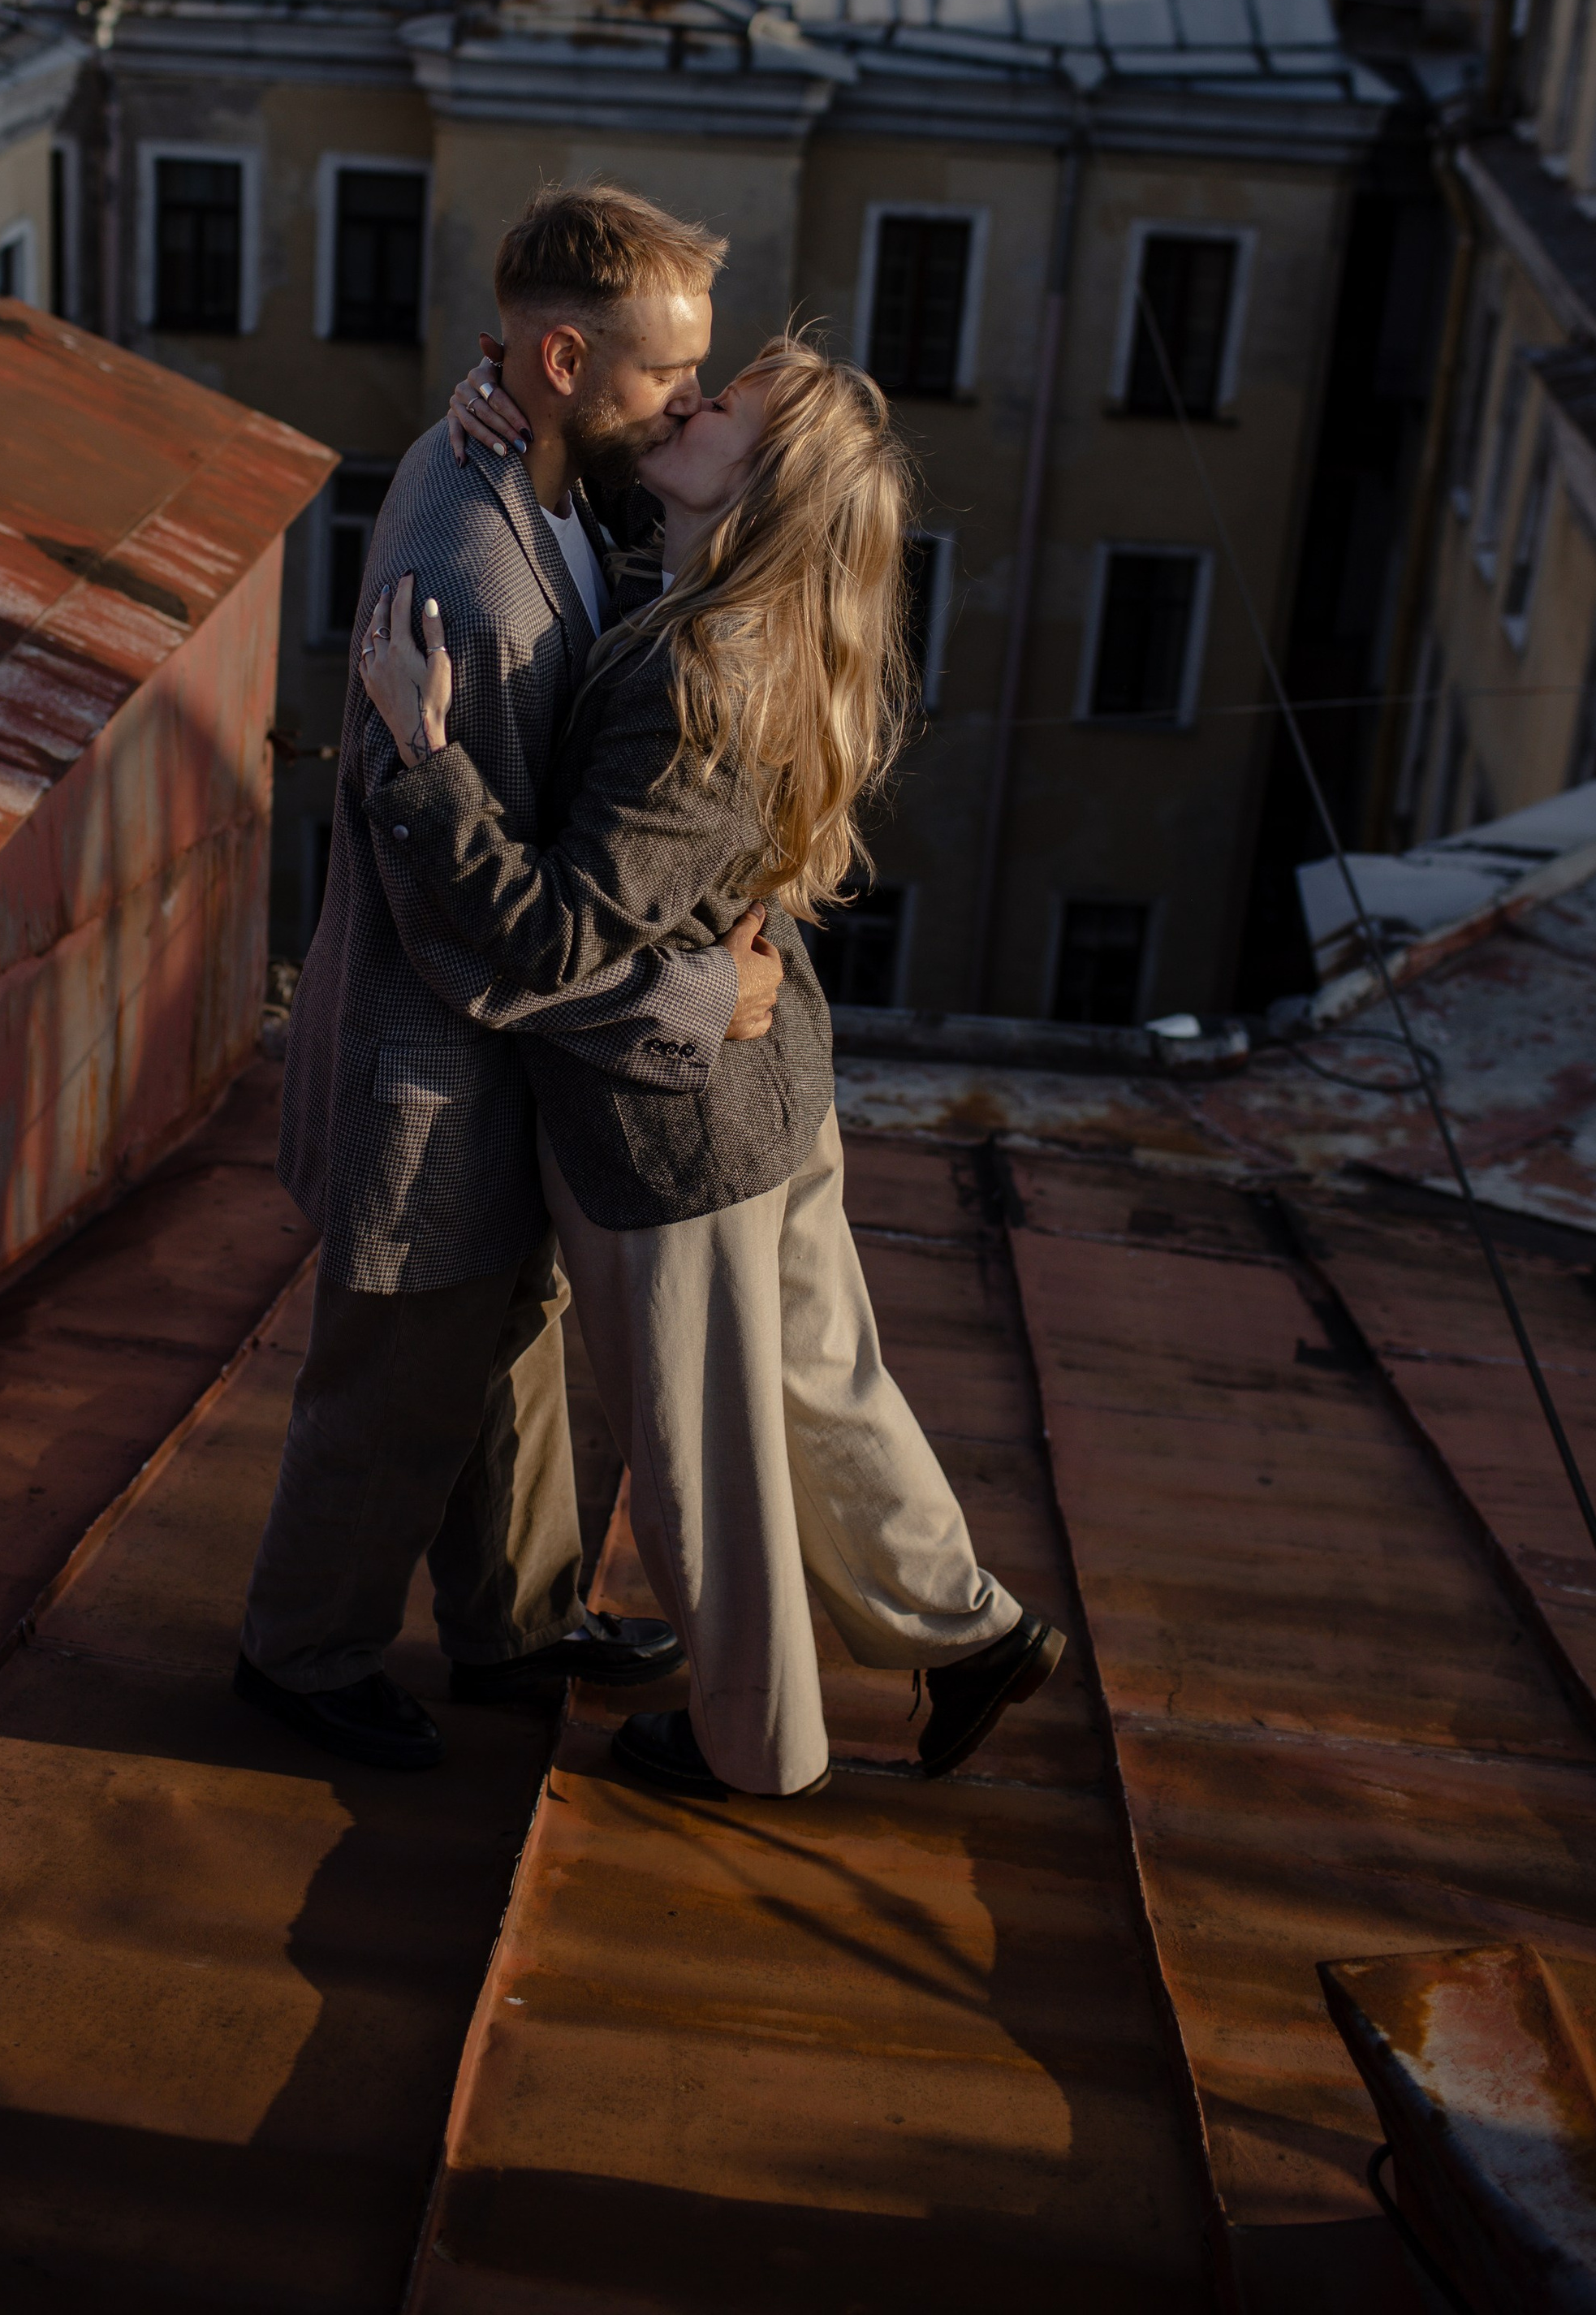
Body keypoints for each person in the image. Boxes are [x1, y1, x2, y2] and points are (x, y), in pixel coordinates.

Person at [356, 334, 1065, 1802]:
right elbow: (588, 541)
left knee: (706, 1464)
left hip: (669, 1133)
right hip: (770, 1086)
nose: (683, 403)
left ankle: (758, 1747)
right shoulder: (736, 615)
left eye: (718, 406)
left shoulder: (694, 677)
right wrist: (494, 414)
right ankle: (971, 1631)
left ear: (760, 485)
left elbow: (552, 937)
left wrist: (426, 768)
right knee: (821, 1388)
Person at [239, 187, 786, 1771]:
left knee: (510, 1359)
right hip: (429, 1074)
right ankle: (300, 1654)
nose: (686, 402)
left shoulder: (518, 452)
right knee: (393, 1388)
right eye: (659, 377)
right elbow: (467, 930)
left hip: (501, 1078)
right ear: (558, 357)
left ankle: (517, 1623)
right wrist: (704, 1004)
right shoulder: (466, 578)